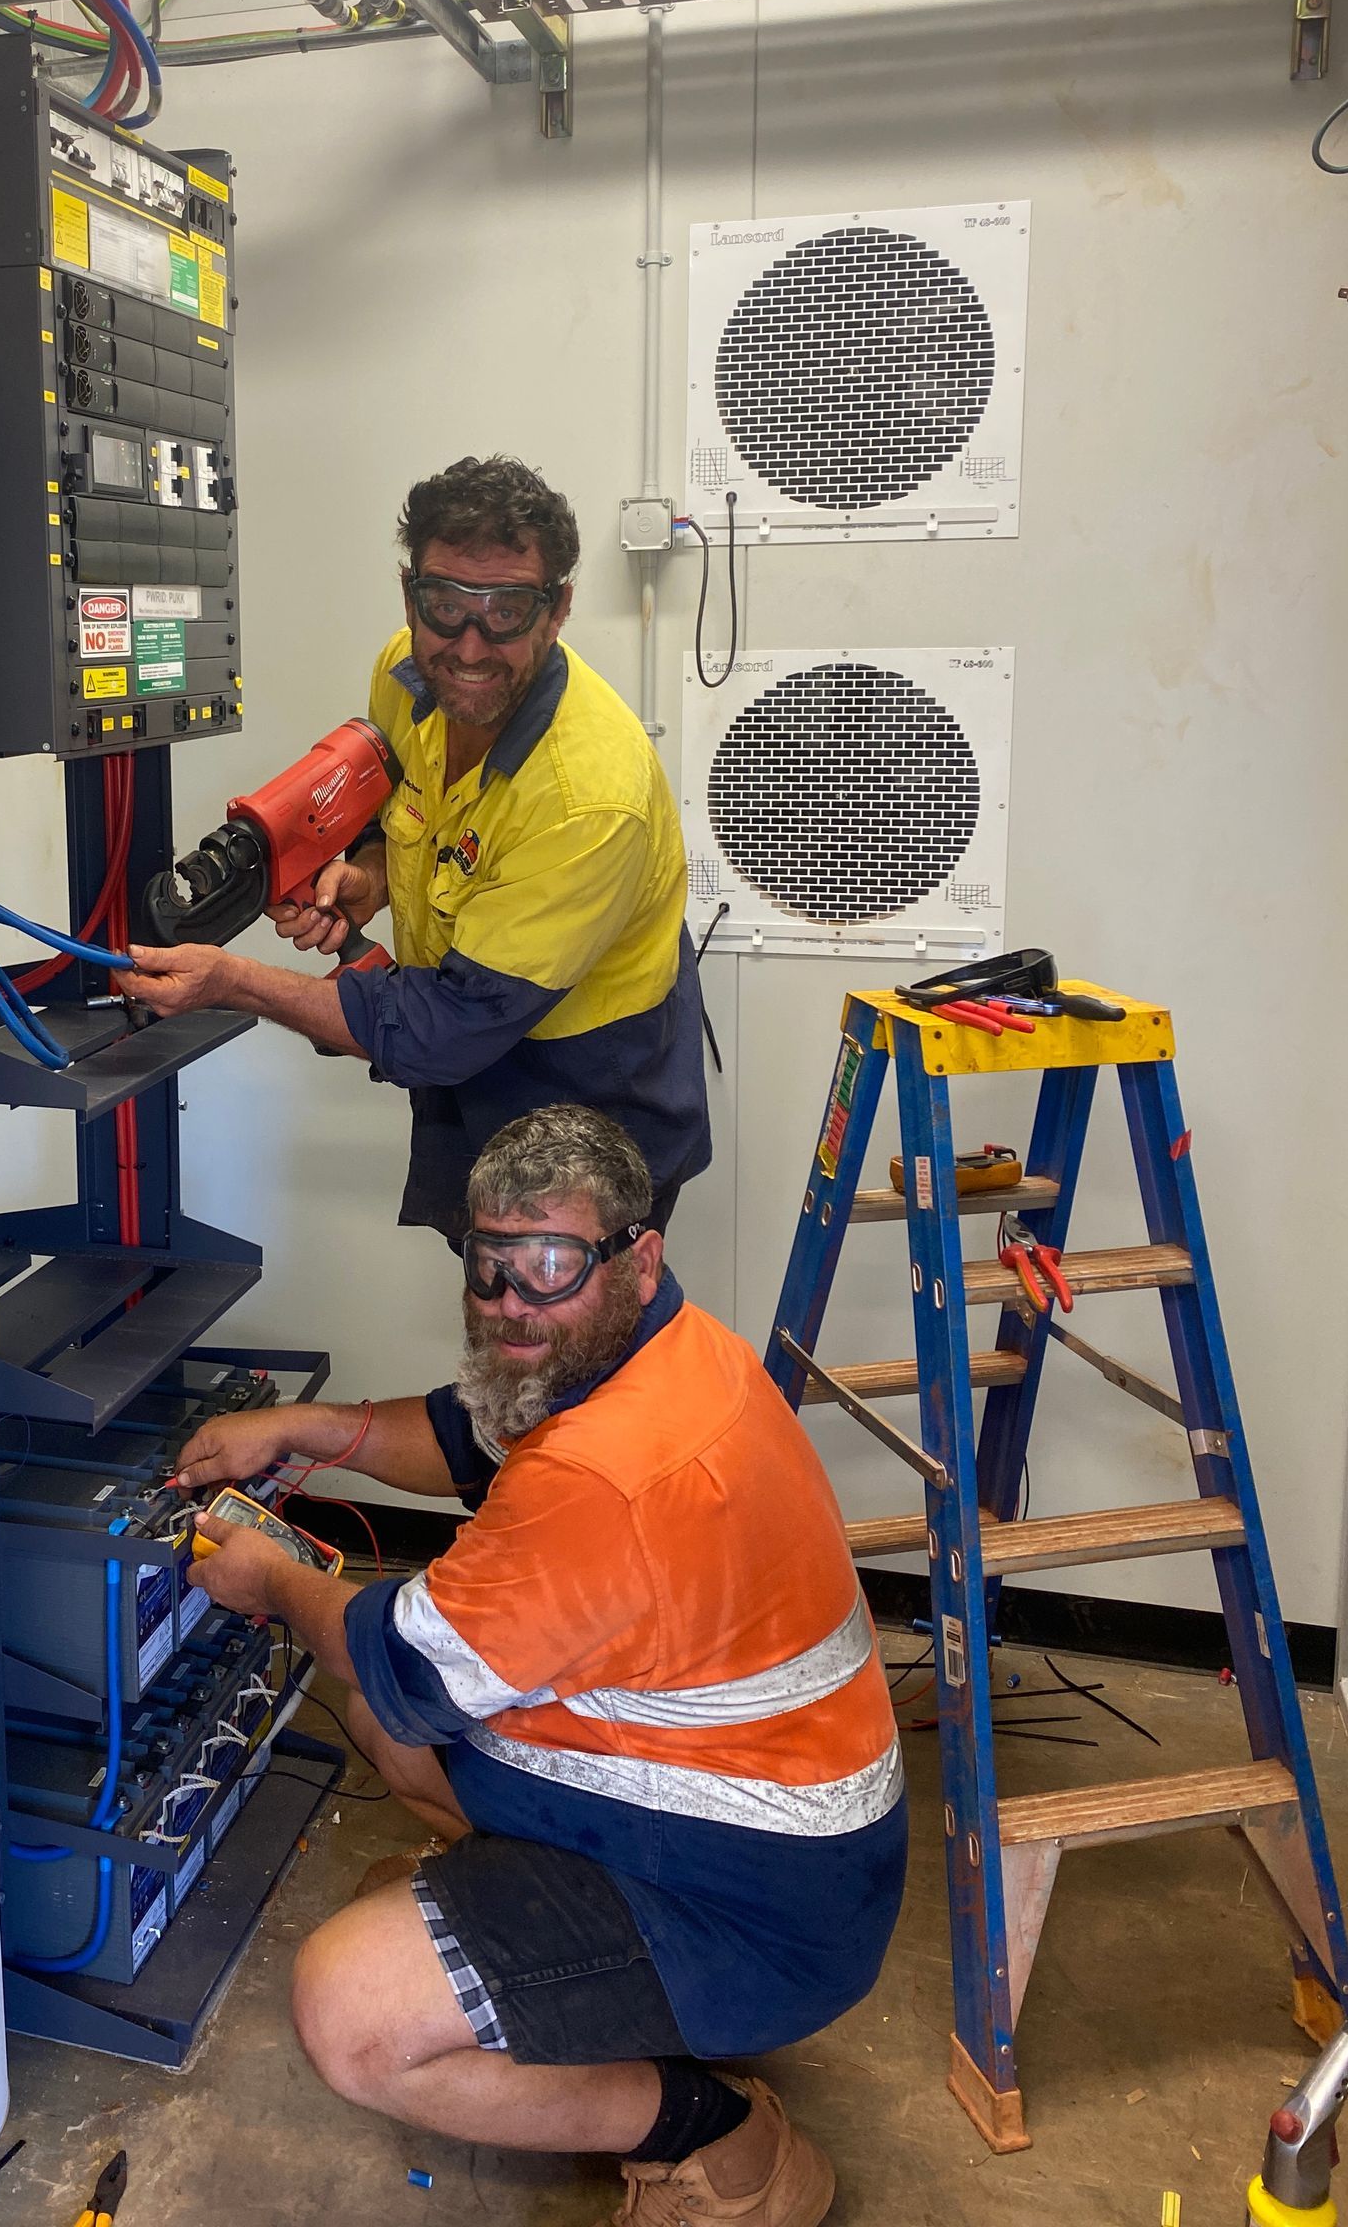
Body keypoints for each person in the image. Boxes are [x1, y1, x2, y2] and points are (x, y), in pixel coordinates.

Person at [182, 1105, 907, 2227]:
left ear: (636, 1254)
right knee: (402, 1734)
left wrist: (273, 1582)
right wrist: (299, 1427)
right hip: (772, 1828)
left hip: (757, 1907)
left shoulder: (607, 1472)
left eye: (553, 1265)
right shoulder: (662, 1347)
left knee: (350, 2009)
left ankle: (718, 2141)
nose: (514, 1302)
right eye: (491, 1266)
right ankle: (523, 1959)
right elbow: (469, 1433)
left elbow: (398, 1662)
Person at [119, 455, 712, 1239]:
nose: (468, 646)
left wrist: (232, 982)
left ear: (558, 607)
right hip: (474, 1060)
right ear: (410, 594)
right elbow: (412, 814)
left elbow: (447, 1027)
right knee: (496, 1313)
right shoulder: (404, 675)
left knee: (567, 1328)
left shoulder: (588, 798)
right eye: (444, 605)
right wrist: (368, 877)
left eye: (506, 610)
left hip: (591, 1093)